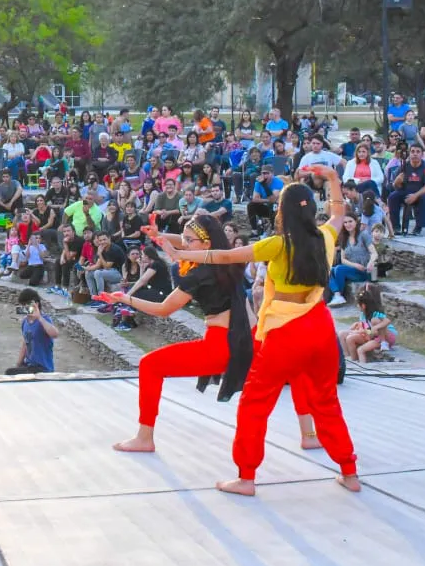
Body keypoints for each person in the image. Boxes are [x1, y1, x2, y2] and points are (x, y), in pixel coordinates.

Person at [188, 164, 360, 496]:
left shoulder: (277, 244)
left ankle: (247, 477)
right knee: (326, 401)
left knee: (255, 402)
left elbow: (226, 256)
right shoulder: (324, 236)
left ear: (281, 211)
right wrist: (334, 181)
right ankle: (349, 472)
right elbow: (338, 214)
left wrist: (181, 252)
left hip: (285, 329)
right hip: (321, 325)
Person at [108, 216, 254, 454]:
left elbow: (165, 309)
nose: (183, 244)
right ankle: (310, 432)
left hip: (221, 344)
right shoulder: (227, 258)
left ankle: (145, 437)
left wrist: (126, 299)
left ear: (206, 244)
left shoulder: (200, 274)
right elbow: (188, 243)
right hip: (249, 339)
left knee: (150, 365)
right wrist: (159, 236)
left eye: (189, 240)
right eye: (183, 239)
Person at [5, 288, 58, 375]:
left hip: (42, 368)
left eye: (26, 305)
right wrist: (18, 364)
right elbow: (25, 343)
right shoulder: (25, 322)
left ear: (36, 304)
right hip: (29, 365)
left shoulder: (44, 319)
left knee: (9, 373)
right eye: (22, 305)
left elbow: (55, 334)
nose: (23, 308)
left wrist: (39, 317)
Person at [386, 144, 425, 235]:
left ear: (422, 154)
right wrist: (397, 181)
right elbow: (394, 186)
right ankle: (396, 226)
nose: (415, 154)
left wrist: (415, 195)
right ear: (409, 154)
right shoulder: (404, 166)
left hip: (420, 192)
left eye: (418, 152)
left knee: (424, 198)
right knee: (393, 196)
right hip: (405, 190)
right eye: (412, 151)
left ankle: (418, 227)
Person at [341, 284, 395, 362]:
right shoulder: (363, 315)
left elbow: (384, 323)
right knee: (347, 336)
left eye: (358, 304)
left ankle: (360, 364)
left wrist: (373, 328)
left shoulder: (375, 315)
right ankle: (349, 359)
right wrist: (359, 329)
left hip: (382, 339)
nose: (357, 306)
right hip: (372, 337)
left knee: (360, 349)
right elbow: (368, 331)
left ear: (363, 306)